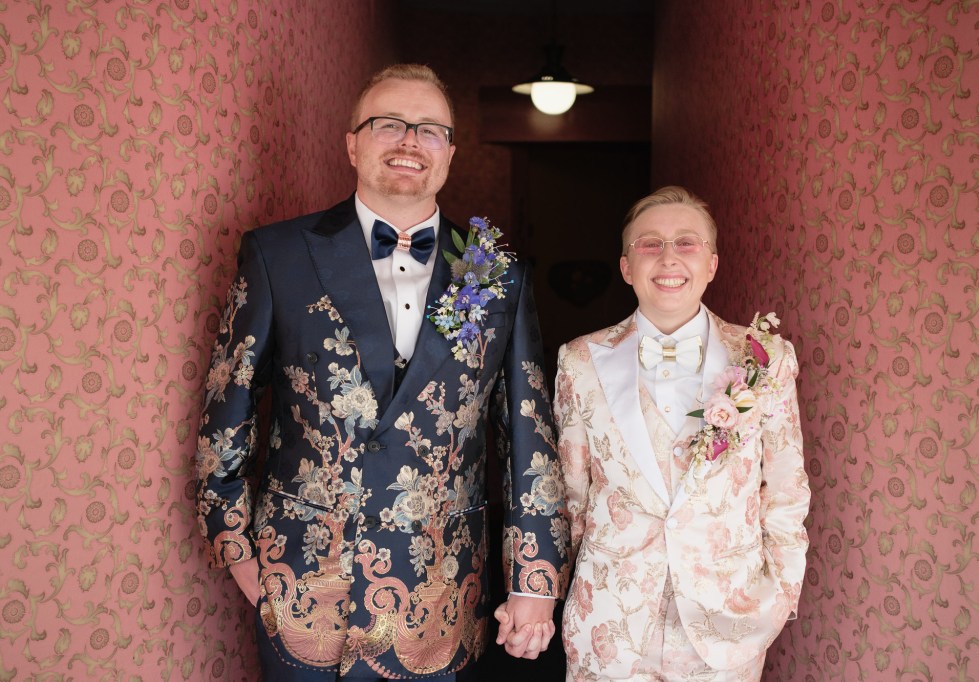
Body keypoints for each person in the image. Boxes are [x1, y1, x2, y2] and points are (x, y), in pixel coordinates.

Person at [194, 64, 569, 681]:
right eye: (388, 123)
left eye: (429, 129)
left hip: (441, 591)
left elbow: (529, 440)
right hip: (297, 585)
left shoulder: (500, 274)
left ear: (450, 151)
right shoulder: (278, 254)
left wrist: (533, 580)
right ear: (352, 143)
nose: (409, 141)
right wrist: (241, 557)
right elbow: (225, 413)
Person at [552, 186, 810, 681]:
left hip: (728, 623)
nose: (668, 256)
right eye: (649, 244)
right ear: (627, 267)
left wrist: (779, 596)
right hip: (610, 620)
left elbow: (785, 489)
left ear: (712, 264)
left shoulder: (764, 358)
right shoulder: (579, 360)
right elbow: (571, 497)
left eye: (686, 242)